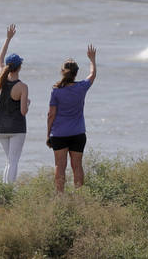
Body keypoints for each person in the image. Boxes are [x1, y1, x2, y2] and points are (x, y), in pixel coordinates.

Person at [47, 44, 96, 193]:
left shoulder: (56, 91)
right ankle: (79, 197)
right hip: (78, 134)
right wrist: (92, 59)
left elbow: (51, 115)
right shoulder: (82, 87)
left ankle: (60, 198)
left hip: (59, 134)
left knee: (60, 166)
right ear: (76, 73)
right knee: (77, 166)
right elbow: (93, 74)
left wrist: (48, 134)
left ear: (62, 72)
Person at [0, 24, 29, 184]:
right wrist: (28, 103)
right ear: (20, 67)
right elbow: (23, 111)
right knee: (13, 161)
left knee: (9, 161)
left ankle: (4, 190)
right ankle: (8, 192)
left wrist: (8, 38)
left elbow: (0, 58)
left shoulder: (1, 77)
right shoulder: (22, 87)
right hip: (16, 128)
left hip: (1, 127)